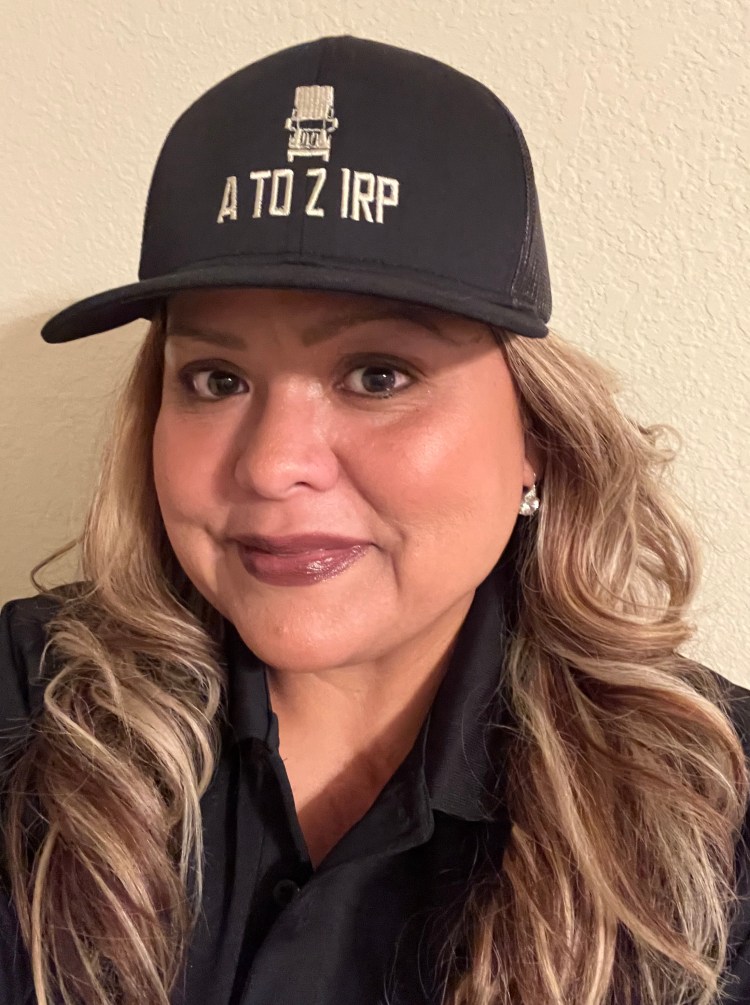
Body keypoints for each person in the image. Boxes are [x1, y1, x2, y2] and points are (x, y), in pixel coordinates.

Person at [1, 34, 749, 1005]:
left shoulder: (713, 813)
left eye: (379, 375)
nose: (272, 464)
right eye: (216, 378)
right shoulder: (27, 713)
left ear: (536, 436)